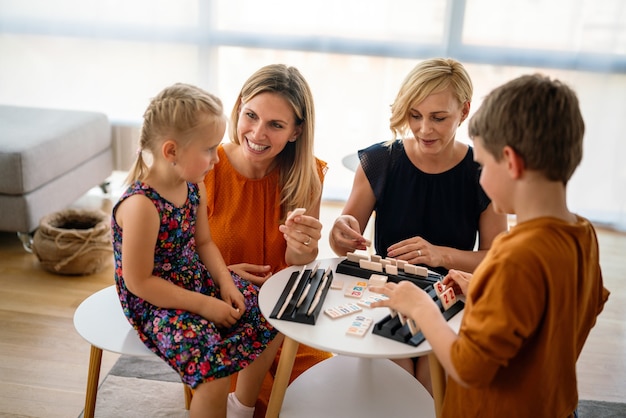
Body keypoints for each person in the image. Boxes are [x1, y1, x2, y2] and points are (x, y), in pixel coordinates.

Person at [371, 74, 610, 417]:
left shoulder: (513, 258)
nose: (479, 176)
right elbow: (558, 313)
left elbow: (468, 367)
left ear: (511, 162)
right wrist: (487, 291)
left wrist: (422, 307)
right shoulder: (583, 235)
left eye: (482, 165)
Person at [329, 57, 508, 389]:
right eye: (415, 115)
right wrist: (342, 231)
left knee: (429, 378)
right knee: (397, 375)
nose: (424, 129)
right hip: (387, 294)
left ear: (464, 112)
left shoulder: (482, 171)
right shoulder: (380, 160)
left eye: (439, 118)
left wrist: (441, 255)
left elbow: (498, 261)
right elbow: (343, 238)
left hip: (451, 295)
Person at [111, 83, 281, 418]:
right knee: (213, 373)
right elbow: (140, 282)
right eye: (208, 149)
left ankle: (240, 408)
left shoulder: (194, 187)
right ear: (171, 151)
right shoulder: (142, 206)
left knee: (271, 315)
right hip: (156, 301)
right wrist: (208, 305)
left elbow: (203, 244)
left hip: (194, 280)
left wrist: (226, 283)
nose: (217, 158)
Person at [203, 64, 332, 416]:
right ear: (239, 106)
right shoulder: (205, 167)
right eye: (251, 115)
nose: (257, 133)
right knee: (256, 405)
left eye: (276, 124)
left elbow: (298, 269)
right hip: (223, 315)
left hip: (283, 322)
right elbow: (174, 258)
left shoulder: (308, 177)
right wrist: (221, 274)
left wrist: (302, 249)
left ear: (296, 131)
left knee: (322, 396)